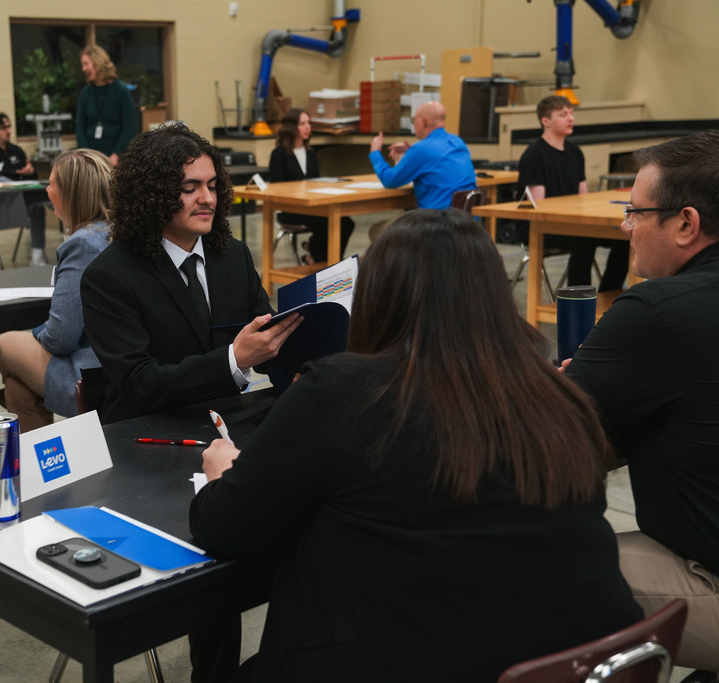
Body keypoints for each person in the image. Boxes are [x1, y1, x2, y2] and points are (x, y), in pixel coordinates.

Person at [190, 209, 642, 682]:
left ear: (378, 296)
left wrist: (224, 474)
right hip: (573, 662)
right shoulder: (557, 394)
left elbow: (225, 528)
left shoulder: (342, 390)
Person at [564, 130, 719, 671]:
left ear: (686, 224)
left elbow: (554, 430)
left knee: (533, 558)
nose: (624, 226)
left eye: (634, 212)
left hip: (711, 579)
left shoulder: (656, 309)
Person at [81, 123, 301, 425]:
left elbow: (265, 335)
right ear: (151, 196)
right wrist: (233, 359)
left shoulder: (233, 256)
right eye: (190, 188)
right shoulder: (108, 277)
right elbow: (138, 383)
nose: (207, 199)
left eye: (212, 186)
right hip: (147, 432)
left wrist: (303, 363)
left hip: (227, 422)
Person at [0, 149, 113, 432]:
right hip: (122, 368)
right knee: (18, 391)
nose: (47, 190)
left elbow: (60, 338)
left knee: (4, 343)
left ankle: (44, 469)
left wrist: (41, 330)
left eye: (52, 184)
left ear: (72, 193)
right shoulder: (123, 232)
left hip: (93, 377)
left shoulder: (84, 243)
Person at [518, 95, 629, 291]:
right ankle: (577, 302)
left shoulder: (575, 152)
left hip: (573, 222)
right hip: (543, 226)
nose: (571, 118)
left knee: (625, 238)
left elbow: (582, 196)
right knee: (584, 238)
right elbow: (539, 206)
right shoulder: (534, 155)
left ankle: (609, 295)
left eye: (571, 113)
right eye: (563, 115)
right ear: (546, 121)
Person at [268, 108, 355, 265]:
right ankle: (318, 256)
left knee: (346, 222)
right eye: (303, 123)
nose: (308, 127)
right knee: (326, 220)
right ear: (291, 127)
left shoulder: (311, 153)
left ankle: (326, 259)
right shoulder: (279, 154)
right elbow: (276, 186)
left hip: (312, 205)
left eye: (308, 123)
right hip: (291, 209)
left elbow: (315, 181)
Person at [367, 100, 476, 210]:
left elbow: (390, 180)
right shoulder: (458, 142)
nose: (414, 124)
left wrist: (375, 153)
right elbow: (437, 160)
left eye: (414, 120)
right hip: (467, 221)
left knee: (380, 227)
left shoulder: (421, 150)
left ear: (424, 122)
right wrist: (411, 151)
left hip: (438, 222)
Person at [0, 112, 48, 266]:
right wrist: (16, 174)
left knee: (51, 199)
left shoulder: (16, 150)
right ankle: (37, 256)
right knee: (37, 208)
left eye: (9, 126)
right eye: (4, 127)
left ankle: (38, 257)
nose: (9, 131)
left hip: (26, 199)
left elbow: (31, 178)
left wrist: (31, 171)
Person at [75, 45, 138, 166]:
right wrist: (85, 155)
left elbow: (130, 127)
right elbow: (80, 127)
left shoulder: (121, 91)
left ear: (97, 62)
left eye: (86, 64)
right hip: (91, 157)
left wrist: (117, 153)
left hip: (116, 157)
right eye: (82, 65)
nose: (83, 69)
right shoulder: (85, 93)